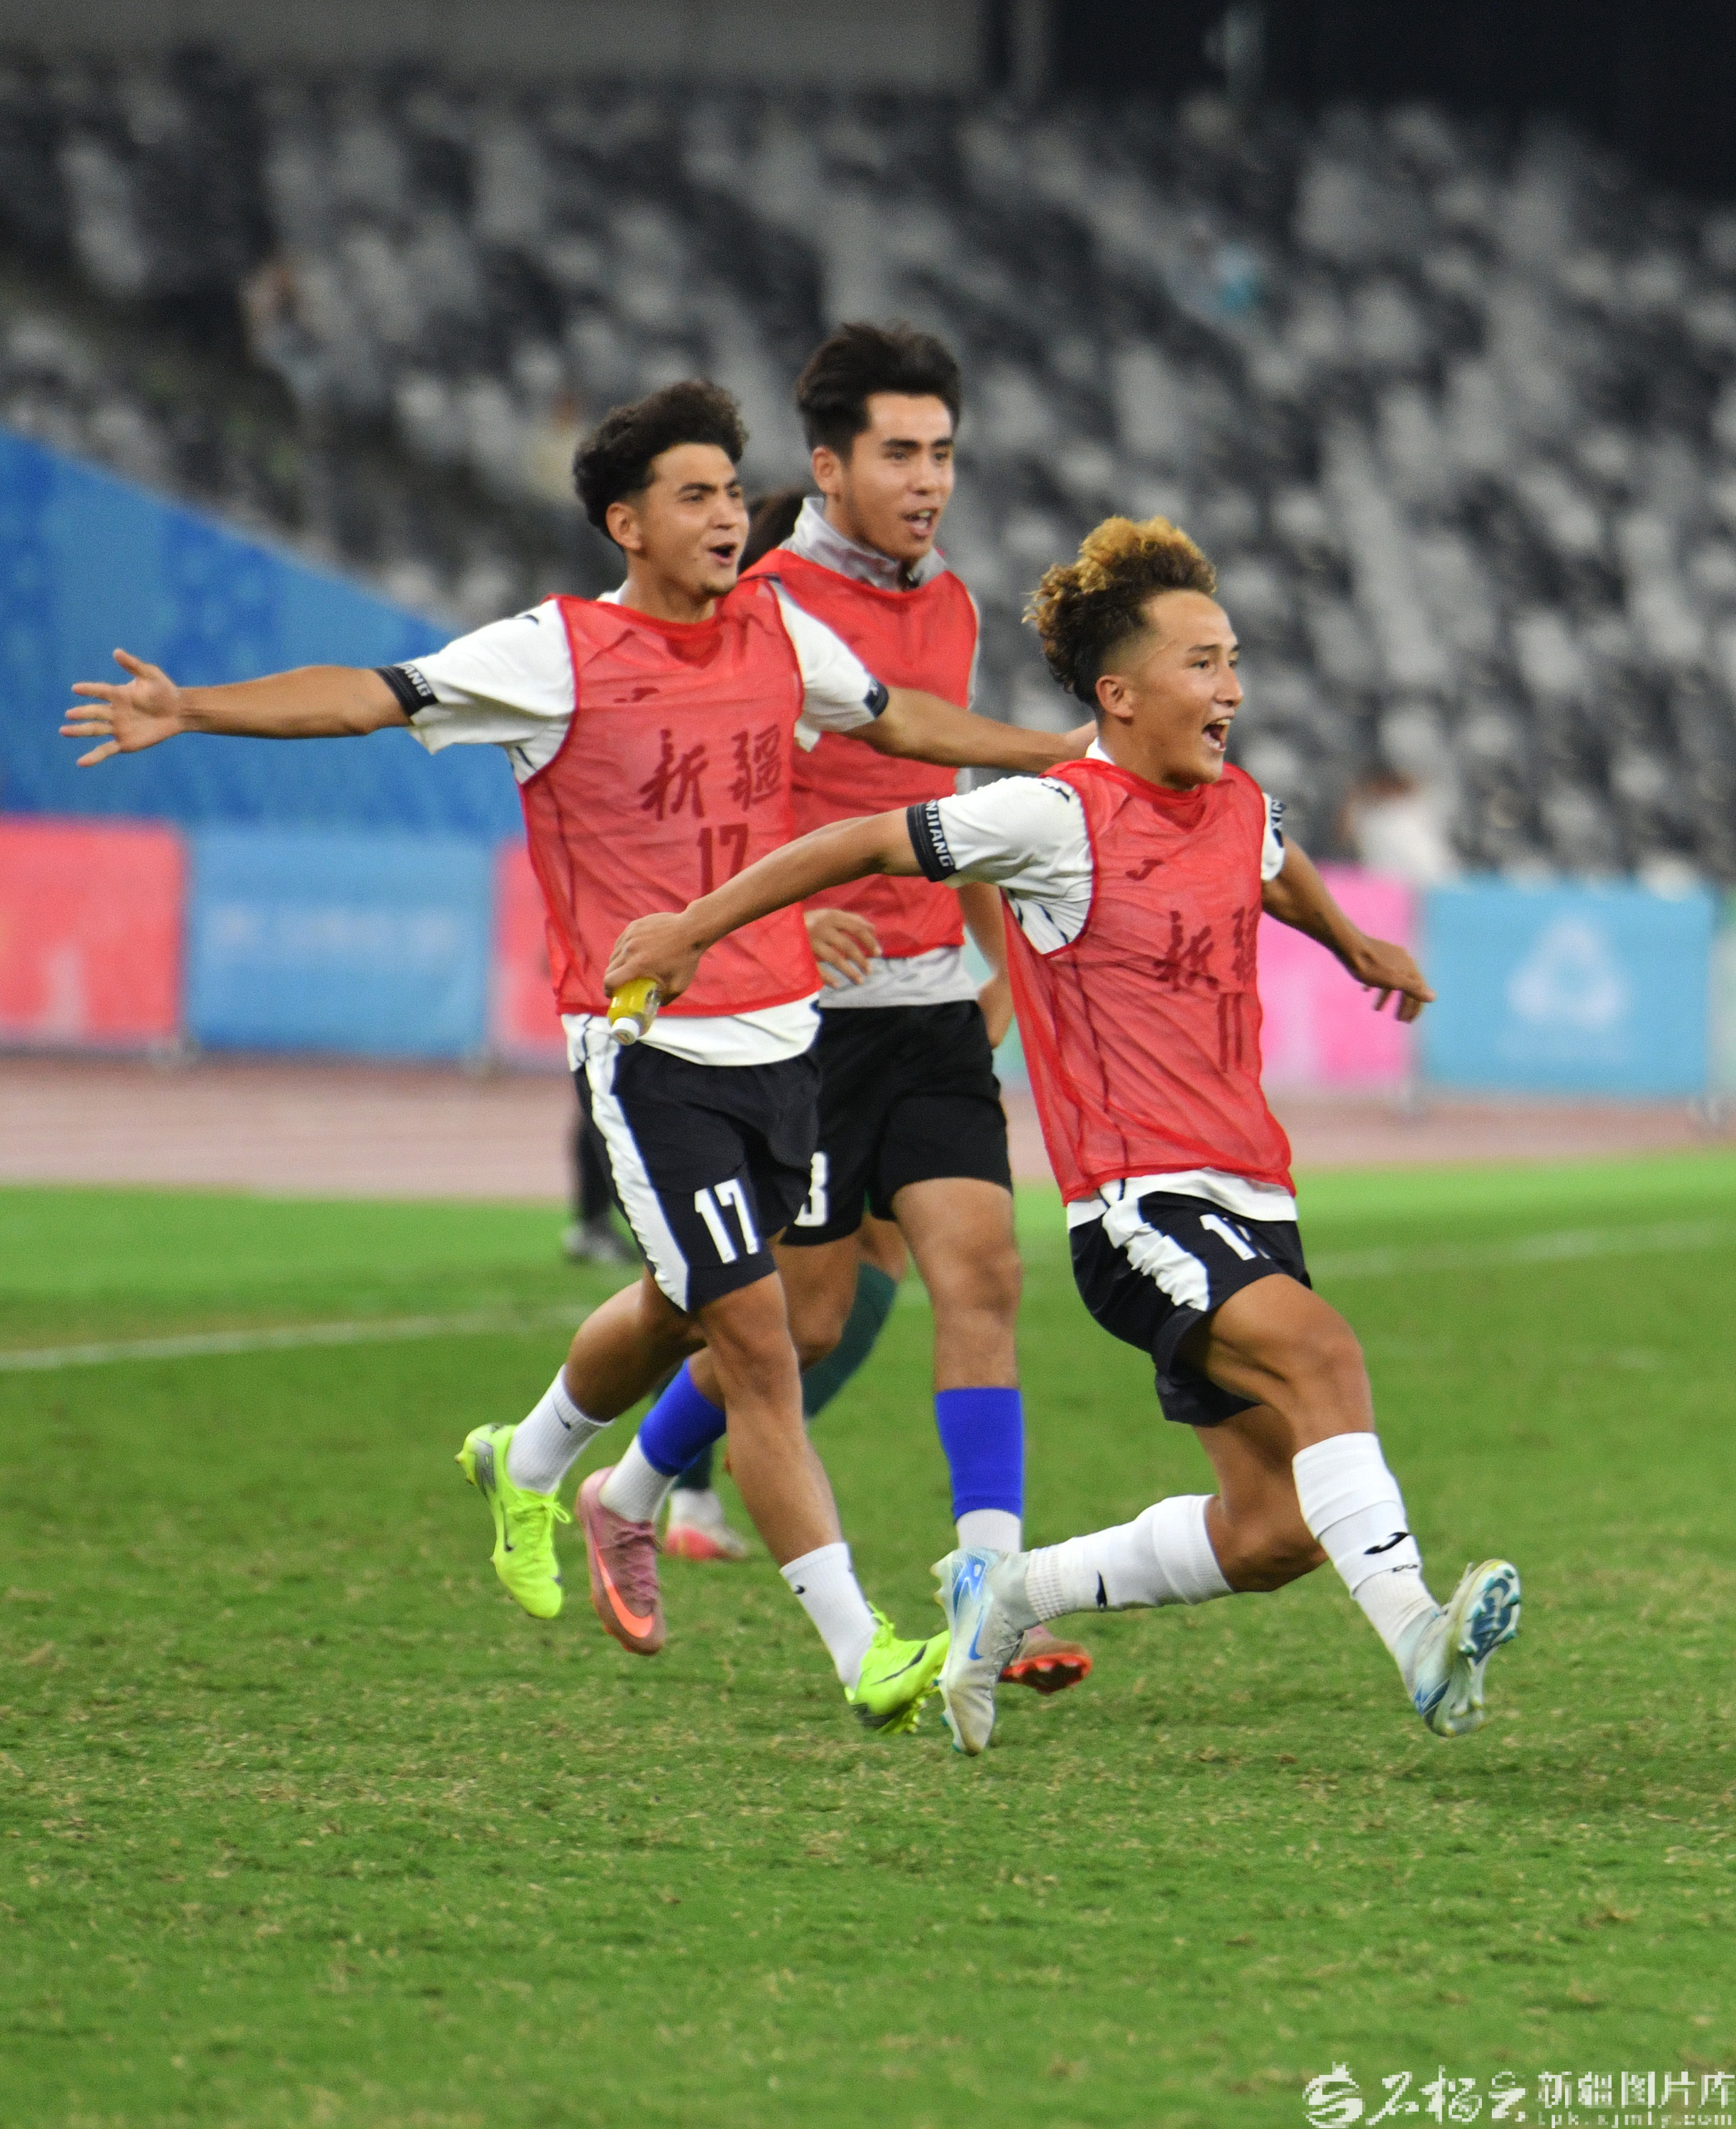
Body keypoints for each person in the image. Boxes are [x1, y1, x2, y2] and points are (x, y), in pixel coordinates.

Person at [60, 380, 1085, 1736]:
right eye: (693, 496)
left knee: (680, 1308)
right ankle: (863, 1649)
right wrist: (194, 708)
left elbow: (897, 722)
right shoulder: (555, 652)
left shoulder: (779, 630)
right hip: (651, 1048)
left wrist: (1058, 758)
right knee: (759, 1342)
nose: (726, 517)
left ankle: (528, 1458)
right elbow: (371, 695)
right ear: (626, 523)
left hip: (790, 1040)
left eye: (732, 492)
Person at [603, 512, 1522, 1756]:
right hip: (1141, 1205)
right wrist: (692, 928)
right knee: (1323, 1355)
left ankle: (1007, 1593)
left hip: (1255, 1195)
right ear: (1118, 694)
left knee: (1274, 1531)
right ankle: (1418, 1637)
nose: (1231, 690)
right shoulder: (1052, 817)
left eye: (1233, 662)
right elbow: (860, 840)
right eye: (1202, 664)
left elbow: (1271, 862)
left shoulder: (1234, 799)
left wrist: (1353, 941)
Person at [605, 325, 1094, 1696]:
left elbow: (949, 808)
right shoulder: (758, 603)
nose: (929, 479)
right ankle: (629, 1487)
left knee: (981, 1275)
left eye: (943, 453)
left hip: (927, 1002)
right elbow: (693, 803)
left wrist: (1000, 965)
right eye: (899, 454)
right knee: (803, 1324)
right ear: (828, 467)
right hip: (803, 1020)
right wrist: (765, 921)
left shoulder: (955, 606)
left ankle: (990, 1598)